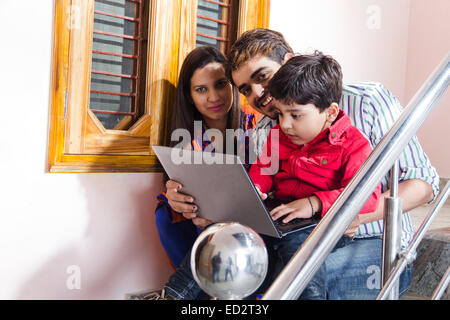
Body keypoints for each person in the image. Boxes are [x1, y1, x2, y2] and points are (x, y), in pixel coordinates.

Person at [165, 29, 440, 299]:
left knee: (295, 274)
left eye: (263, 77)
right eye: (246, 89)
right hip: (299, 237)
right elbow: (261, 189)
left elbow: (424, 184)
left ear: (288, 62)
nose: (259, 94)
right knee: (230, 257)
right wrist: (206, 206)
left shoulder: (366, 102)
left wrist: (348, 215)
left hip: (373, 242)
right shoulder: (265, 131)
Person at [130, 45, 258, 300]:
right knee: (168, 212)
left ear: (232, 84)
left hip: (250, 218)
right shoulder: (188, 142)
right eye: (201, 89)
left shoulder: (254, 125)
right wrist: (176, 195)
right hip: (204, 220)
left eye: (220, 84)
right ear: (189, 96)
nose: (214, 97)